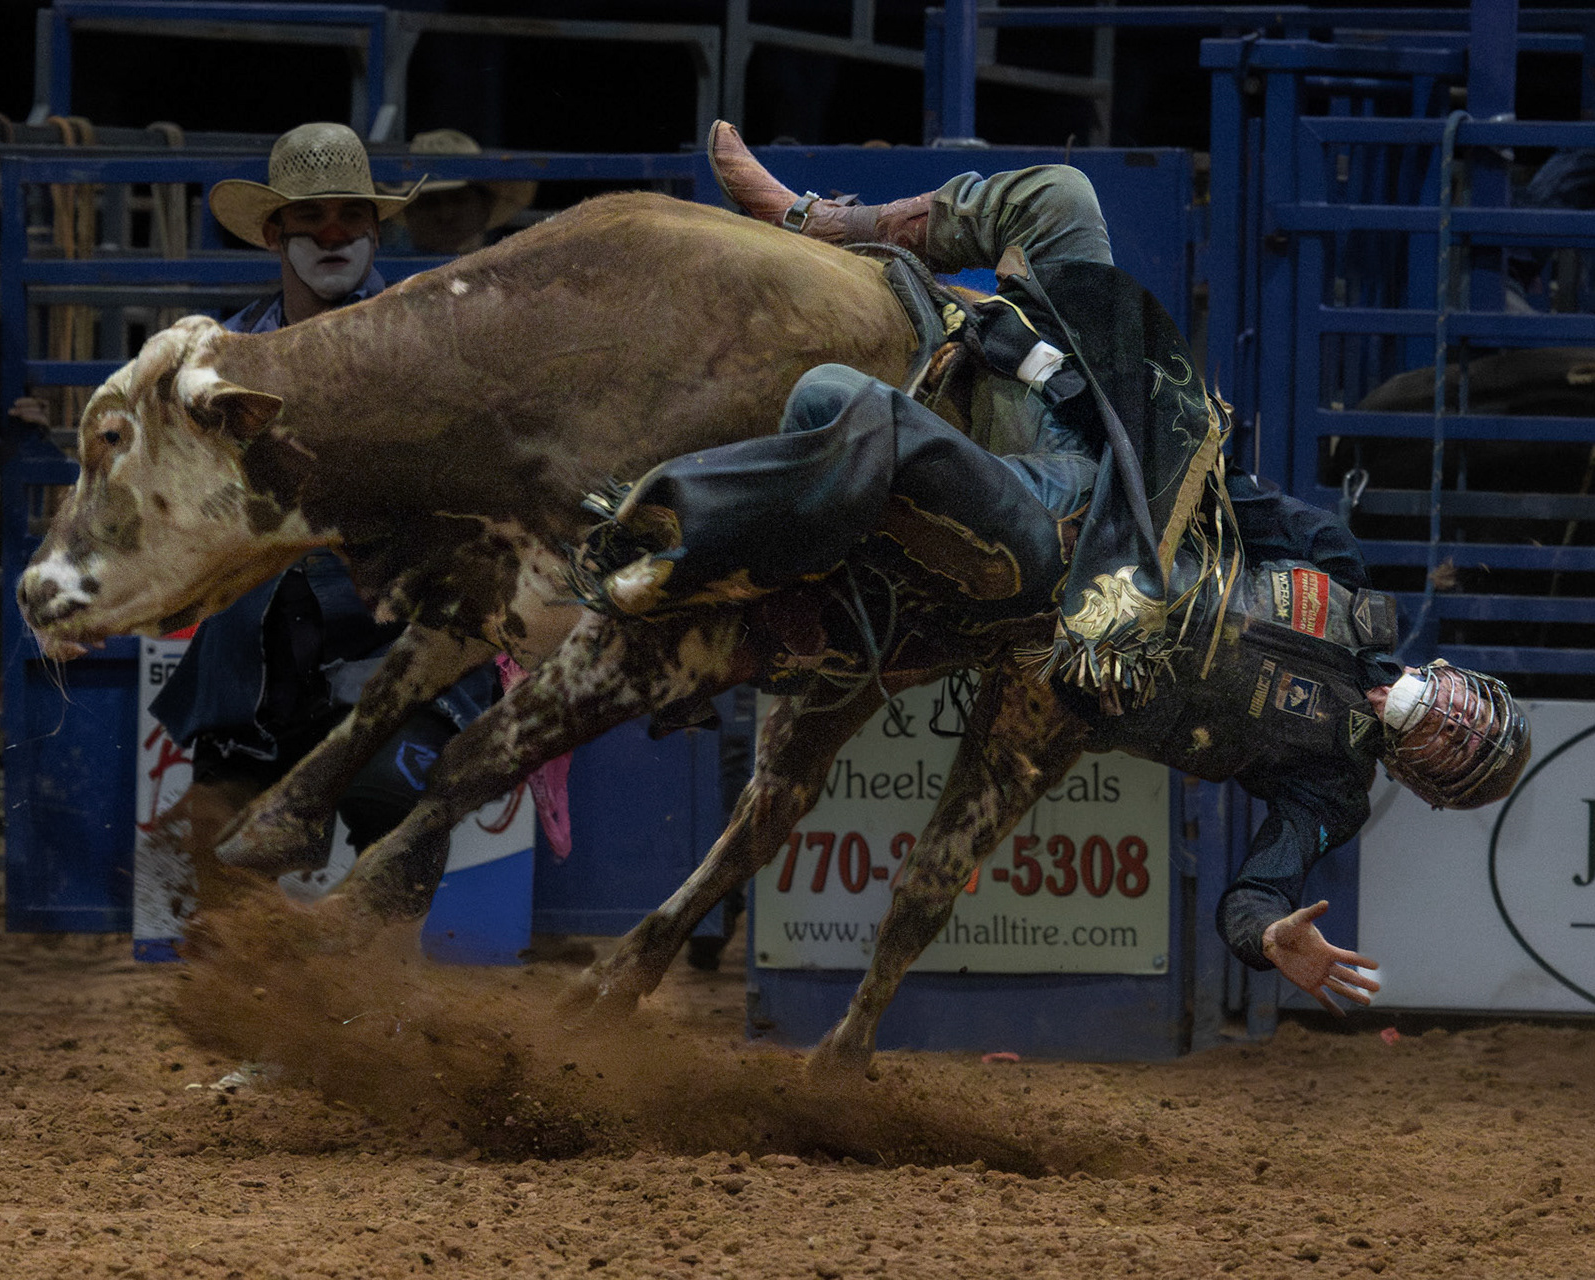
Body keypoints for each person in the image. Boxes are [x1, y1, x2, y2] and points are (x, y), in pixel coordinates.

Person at [578, 126, 1532, 1012]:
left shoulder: (1327, 788)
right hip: (1115, 495)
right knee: (1060, 195)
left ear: (1426, 777)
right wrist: (1067, 376)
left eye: (1456, 747)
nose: (1446, 720)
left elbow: (1256, 891)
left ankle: (680, 535)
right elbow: (1217, 486)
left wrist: (1269, 936)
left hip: (1063, 604)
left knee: (852, 407)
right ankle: (820, 222)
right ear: (1457, 679)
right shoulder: (1351, 582)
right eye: (1465, 710)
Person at [150, 122, 501, 869]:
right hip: (254, 663)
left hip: (396, 651)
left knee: (396, 823)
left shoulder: (432, 345)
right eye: (311, 217)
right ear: (274, 234)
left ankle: (376, 945)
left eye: (351, 216)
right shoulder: (216, 363)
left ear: (375, 230)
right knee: (221, 862)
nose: (333, 233)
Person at [380, 129, 537, 256]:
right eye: (429, 202)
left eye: (458, 199)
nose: (446, 214)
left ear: (485, 205)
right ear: (408, 212)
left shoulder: (514, 280)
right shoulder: (381, 281)